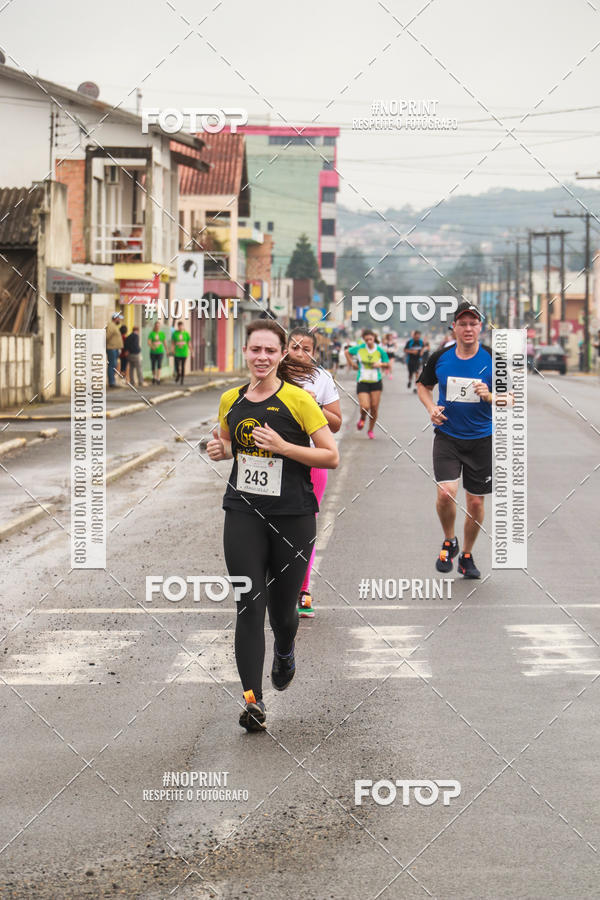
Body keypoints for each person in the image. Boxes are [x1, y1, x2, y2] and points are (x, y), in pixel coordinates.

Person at [206, 319, 339, 732]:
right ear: (244, 353)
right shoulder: (231, 398)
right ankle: (253, 701)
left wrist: (284, 447)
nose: (261, 357)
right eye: (254, 350)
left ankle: (285, 647)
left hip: (293, 516)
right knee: (248, 605)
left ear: (281, 355)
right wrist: (219, 448)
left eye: (269, 351)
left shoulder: (299, 400)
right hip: (243, 512)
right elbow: (229, 441)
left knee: (283, 613)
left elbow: (330, 456)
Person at [417, 302, 498, 579]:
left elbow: (512, 397)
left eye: (473, 323)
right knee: (446, 492)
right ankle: (449, 540)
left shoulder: (493, 358)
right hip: (448, 436)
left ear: (480, 327)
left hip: (481, 440)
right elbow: (423, 386)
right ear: (454, 327)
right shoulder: (440, 357)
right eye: (462, 323)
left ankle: (466, 556)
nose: (467, 328)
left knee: (475, 503)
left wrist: (489, 396)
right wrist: (431, 408)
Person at [287, 327, 342, 619]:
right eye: (294, 347)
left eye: (306, 348)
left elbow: (335, 423)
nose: (300, 353)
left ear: (314, 352)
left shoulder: (322, 379)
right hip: (276, 460)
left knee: (306, 525)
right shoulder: (273, 374)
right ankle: (276, 584)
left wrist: (314, 404)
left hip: (313, 458)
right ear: (285, 349)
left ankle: (303, 589)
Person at [345, 330, 390, 439]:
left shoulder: (379, 350)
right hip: (363, 381)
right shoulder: (360, 349)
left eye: (371, 339)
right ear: (364, 340)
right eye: (367, 340)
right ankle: (362, 418)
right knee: (365, 406)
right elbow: (347, 352)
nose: (369, 341)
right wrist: (352, 364)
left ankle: (370, 430)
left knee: (374, 407)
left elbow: (387, 364)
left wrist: (380, 364)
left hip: (376, 381)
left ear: (374, 338)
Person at [106, 312, 124, 388]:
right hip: (111, 348)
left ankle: (113, 380)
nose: (120, 320)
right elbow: (107, 336)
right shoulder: (111, 325)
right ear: (115, 318)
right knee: (112, 365)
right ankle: (111, 382)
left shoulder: (114, 326)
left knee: (115, 364)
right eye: (119, 318)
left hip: (115, 348)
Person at [171, 320, 192, 384]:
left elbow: (189, 343)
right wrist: (172, 350)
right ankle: (178, 374)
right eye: (179, 326)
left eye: (181, 326)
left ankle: (182, 379)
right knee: (177, 365)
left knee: (183, 366)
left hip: (184, 352)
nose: (180, 327)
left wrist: (191, 351)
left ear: (183, 326)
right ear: (178, 327)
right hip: (177, 352)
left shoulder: (186, 334)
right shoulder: (175, 334)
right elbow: (173, 343)